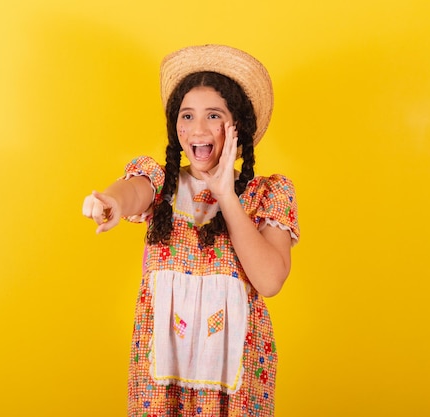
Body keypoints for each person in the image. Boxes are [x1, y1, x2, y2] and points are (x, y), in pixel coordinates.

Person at [82, 44, 299, 417]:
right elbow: (133, 191)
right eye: (186, 116)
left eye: (213, 115)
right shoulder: (162, 183)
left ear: (237, 128)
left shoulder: (267, 194)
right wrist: (113, 203)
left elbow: (270, 281)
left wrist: (226, 197)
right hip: (162, 383)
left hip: (237, 381)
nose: (196, 129)